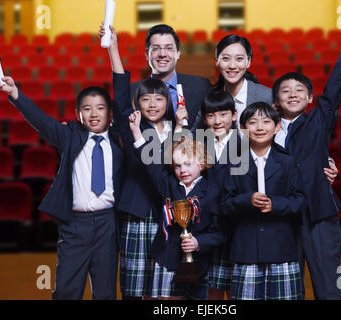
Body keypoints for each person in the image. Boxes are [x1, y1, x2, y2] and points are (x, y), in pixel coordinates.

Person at [0, 73, 123, 300]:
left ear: (109, 113)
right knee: (66, 292)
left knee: (106, 293)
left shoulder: (120, 142)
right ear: (78, 114)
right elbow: (42, 121)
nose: (93, 114)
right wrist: (14, 93)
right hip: (75, 225)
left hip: (108, 225)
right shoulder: (69, 136)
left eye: (100, 108)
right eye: (87, 108)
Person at [272, 17, 341, 300]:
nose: (292, 94)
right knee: (289, 290)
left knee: (330, 287)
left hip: (319, 214)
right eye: (285, 91)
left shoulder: (319, 119)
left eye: (299, 90)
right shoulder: (263, 128)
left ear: (310, 98)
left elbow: (336, 87)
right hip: (282, 217)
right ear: (275, 101)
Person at [100, 24, 184, 300]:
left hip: (168, 216)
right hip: (137, 214)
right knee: (134, 288)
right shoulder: (131, 125)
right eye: (145, 99)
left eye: (158, 99)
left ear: (168, 102)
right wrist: (113, 47)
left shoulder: (179, 130)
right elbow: (122, 93)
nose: (151, 104)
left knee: (165, 289)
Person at [130, 116, 225, 299]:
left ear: (202, 162)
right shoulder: (169, 184)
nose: (182, 170)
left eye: (188, 164)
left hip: (198, 262)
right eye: (177, 166)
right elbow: (149, 163)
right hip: (166, 257)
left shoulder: (212, 191)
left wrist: (199, 242)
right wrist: (136, 131)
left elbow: (219, 231)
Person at [220, 102, 306, 300]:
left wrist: (274, 205)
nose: (259, 127)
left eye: (266, 122)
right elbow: (224, 205)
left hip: (281, 249)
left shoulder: (287, 161)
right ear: (242, 129)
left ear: (277, 127)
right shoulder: (234, 162)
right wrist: (246, 200)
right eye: (252, 122)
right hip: (246, 251)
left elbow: (300, 200)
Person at [131, 24, 212, 129]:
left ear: (178, 53)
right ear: (147, 54)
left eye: (169, 48)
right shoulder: (132, 91)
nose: (162, 54)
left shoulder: (201, 86)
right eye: (155, 48)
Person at [199, 89, 239, 300]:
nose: (217, 121)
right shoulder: (200, 143)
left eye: (223, 114)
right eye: (211, 115)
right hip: (208, 225)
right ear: (204, 119)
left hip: (235, 225)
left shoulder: (245, 143)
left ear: (234, 115)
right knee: (211, 287)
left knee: (235, 286)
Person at [193, 34, 273, 131]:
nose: (232, 65)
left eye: (239, 59)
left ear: (248, 62)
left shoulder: (267, 96)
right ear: (217, 61)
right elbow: (196, 135)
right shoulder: (209, 96)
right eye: (226, 58)